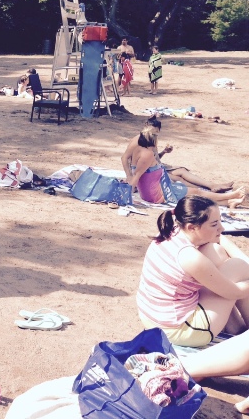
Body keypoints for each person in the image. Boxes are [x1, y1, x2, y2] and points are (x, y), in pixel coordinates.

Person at [137, 195, 249, 414]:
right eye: (215, 224)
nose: (222, 227)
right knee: (237, 268)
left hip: (157, 317)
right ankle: (242, 328)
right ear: (193, 226)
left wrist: (218, 235)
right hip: (182, 329)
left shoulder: (173, 232)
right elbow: (233, 291)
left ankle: (237, 328)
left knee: (215, 251)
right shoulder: (189, 257)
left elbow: (218, 244)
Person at [121, 120, 244, 207]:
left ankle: (228, 201)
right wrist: (128, 188)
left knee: (192, 192)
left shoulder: (144, 149)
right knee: (195, 192)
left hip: (156, 181)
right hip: (158, 193)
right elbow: (134, 171)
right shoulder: (143, 149)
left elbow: (151, 164)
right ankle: (232, 196)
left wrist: (164, 151)